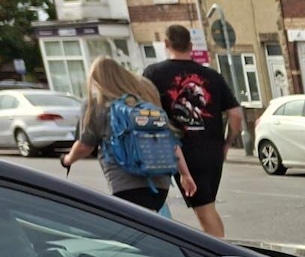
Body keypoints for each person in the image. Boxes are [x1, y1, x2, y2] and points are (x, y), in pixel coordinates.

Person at [62, 57, 197, 213]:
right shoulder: (146, 98)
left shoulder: (96, 104)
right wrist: (185, 174)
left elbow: (85, 146)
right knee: (149, 222)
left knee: (133, 225)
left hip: (124, 183)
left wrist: (67, 160)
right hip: (160, 181)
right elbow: (170, 140)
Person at [145, 25, 243, 238]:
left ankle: (220, 253)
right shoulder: (212, 76)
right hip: (212, 151)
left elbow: (146, 112)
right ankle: (220, 248)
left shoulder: (153, 74)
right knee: (207, 206)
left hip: (182, 152)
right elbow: (236, 115)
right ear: (190, 45)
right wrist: (227, 143)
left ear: (166, 44)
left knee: (204, 211)